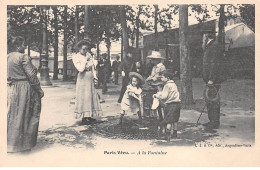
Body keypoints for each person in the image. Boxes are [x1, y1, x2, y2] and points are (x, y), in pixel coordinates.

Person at [7, 36, 44, 153]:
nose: (25, 47)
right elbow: (32, 76)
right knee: (29, 113)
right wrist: (39, 90)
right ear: (18, 46)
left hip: (13, 87)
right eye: (23, 44)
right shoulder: (23, 57)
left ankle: (11, 144)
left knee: (14, 114)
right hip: (25, 88)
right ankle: (25, 144)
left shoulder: (7, 57)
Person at [201, 30, 227, 130]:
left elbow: (214, 64)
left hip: (213, 79)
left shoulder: (214, 46)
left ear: (208, 37)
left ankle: (214, 123)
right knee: (209, 99)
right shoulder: (210, 46)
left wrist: (211, 79)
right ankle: (212, 120)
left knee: (213, 100)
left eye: (203, 37)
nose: (202, 40)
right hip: (210, 80)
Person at [72, 39, 102, 124]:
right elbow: (80, 69)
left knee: (90, 96)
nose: (85, 51)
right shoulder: (76, 57)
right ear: (79, 49)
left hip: (89, 78)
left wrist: (95, 77)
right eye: (83, 49)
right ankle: (84, 117)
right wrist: (86, 59)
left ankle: (89, 115)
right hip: (82, 78)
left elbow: (93, 67)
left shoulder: (88, 55)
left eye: (86, 49)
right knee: (84, 96)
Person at [153, 70, 181, 142]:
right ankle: (175, 133)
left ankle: (167, 136)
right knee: (175, 120)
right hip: (177, 104)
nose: (161, 78)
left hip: (171, 105)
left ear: (167, 78)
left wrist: (157, 95)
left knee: (168, 121)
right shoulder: (174, 84)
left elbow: (164, 96)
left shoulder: (167, 85)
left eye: (162, 77)